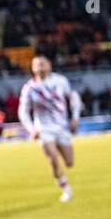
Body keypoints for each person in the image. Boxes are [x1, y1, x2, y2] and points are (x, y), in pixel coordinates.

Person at [18, 55, 81, 203]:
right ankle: (65, 189)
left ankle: (58, 153)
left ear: (50, 65)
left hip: (62, 126)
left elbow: (74, 98)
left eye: (43, 63)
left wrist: (75, 117)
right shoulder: (29, 88)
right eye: (37, 64)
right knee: (52, 159)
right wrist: (31, 129)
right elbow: (23, 111)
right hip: (44, 129)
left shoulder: (60, 81)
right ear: (33, 68)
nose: (40, 66)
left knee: (69, 162)